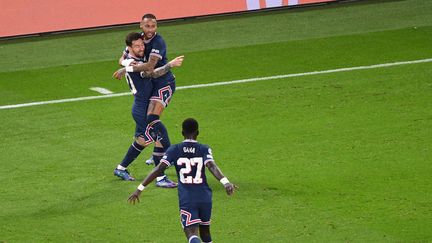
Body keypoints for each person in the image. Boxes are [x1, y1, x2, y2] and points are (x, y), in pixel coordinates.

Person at [128, 118, 237, 243]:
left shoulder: (175, 149)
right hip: (204, 197)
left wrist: (139, 188)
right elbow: (211, 165)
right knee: (205, 232)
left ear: (182, 132)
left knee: (191, 232)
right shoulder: (204, 149)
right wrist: (225, 182)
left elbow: (159, 169)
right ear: (197, 133)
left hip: (188, 197)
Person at [113, 13, 178, 187]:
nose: (141, 48)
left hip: (141, 104)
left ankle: (121, 168)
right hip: (142, 108)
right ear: (141, 26)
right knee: (160, 137)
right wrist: (170, 65)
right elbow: (151, 70)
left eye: (142, 45)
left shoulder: (134, 57)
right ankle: (161, 176)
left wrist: (124, 68)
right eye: (138, 46)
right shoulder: (137, 66)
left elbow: (124, 59)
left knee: (144, 139)